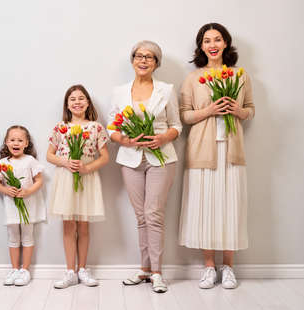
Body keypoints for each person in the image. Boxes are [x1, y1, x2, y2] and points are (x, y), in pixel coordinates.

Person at [178, 23, 255, 289]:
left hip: (232, 152)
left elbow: (250, 110)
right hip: (202, 152)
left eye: (217, 39)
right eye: (207, 40)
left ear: (225, 44)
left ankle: (229, 268)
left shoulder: (240, 76)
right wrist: (209, 110)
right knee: (205, 208)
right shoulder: (192, 78)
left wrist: (238, 110)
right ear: (201, 46)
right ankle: (209, 267)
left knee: (230, 207)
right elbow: (185, 115)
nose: (212, 45)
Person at [108, 40, 182, 293]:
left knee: (154, 214)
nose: (143, 60)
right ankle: (144, 270)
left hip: (161, 158)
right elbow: (111, 127)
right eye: (139, 56)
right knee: (141, 216)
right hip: (130, 159)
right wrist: (125, 140)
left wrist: (163, 138)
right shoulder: (119, 91)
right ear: (132, 60)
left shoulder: (167, 90)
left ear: (156, 63)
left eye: (150, 57)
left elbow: (177, 125)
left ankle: (158, 272)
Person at [47, 84, 109, 289]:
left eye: (81, 98)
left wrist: (87, 168)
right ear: (67, 104)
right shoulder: (60, 128)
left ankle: (82, 269)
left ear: (88, 102)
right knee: (68, 225)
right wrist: (65, 162)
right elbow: (50, 155)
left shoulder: (96, 127)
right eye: (72, 99)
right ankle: (70, 272)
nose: (77, 102)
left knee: (83, 225)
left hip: (87, 179)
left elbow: (105, 157)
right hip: (66, 179)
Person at [0, 125, 47, 286]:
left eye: (19, 140)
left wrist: (28, 191)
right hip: (11, 205)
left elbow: (39, 181)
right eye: (12, 140)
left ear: (26, 143)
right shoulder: (2, 163)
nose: (15, 143)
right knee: (13, 237)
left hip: (28, 205)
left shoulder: (30, 161)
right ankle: (15, 269)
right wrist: (6, 190)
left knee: (27, 236)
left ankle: (25, 270)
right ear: (6, 142)